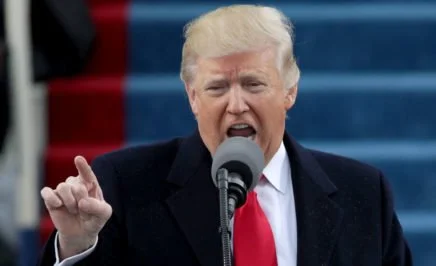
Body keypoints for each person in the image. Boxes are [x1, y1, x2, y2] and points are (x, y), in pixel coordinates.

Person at [37, 4, 413, 266]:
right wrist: (77, 246)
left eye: (253, 83)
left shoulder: (363, 191)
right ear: (193, 97)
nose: (236, 105)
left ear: (290, 91)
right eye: (217, 88)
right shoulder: (124, 185)